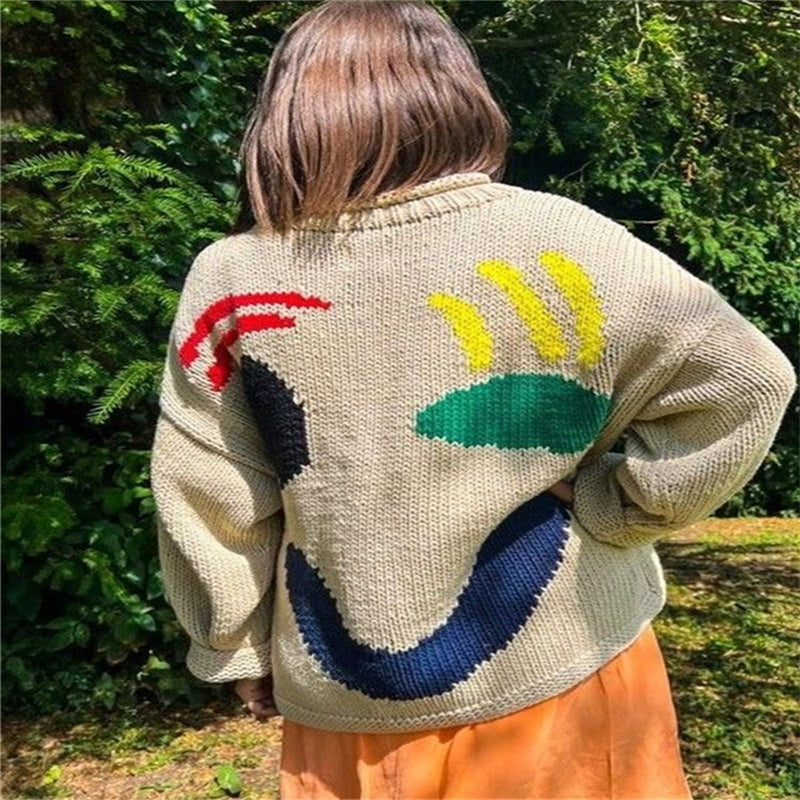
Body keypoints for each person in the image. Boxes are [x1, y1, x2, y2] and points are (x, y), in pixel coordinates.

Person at [149, 1, 797, 798]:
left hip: (348, 702)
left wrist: (237, 644)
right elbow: (745, 381)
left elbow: (210, 482)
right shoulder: (563, 239)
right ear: (456, 92)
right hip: (571, 672)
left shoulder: (234, 278)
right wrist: (620, 502)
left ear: (287, 112)